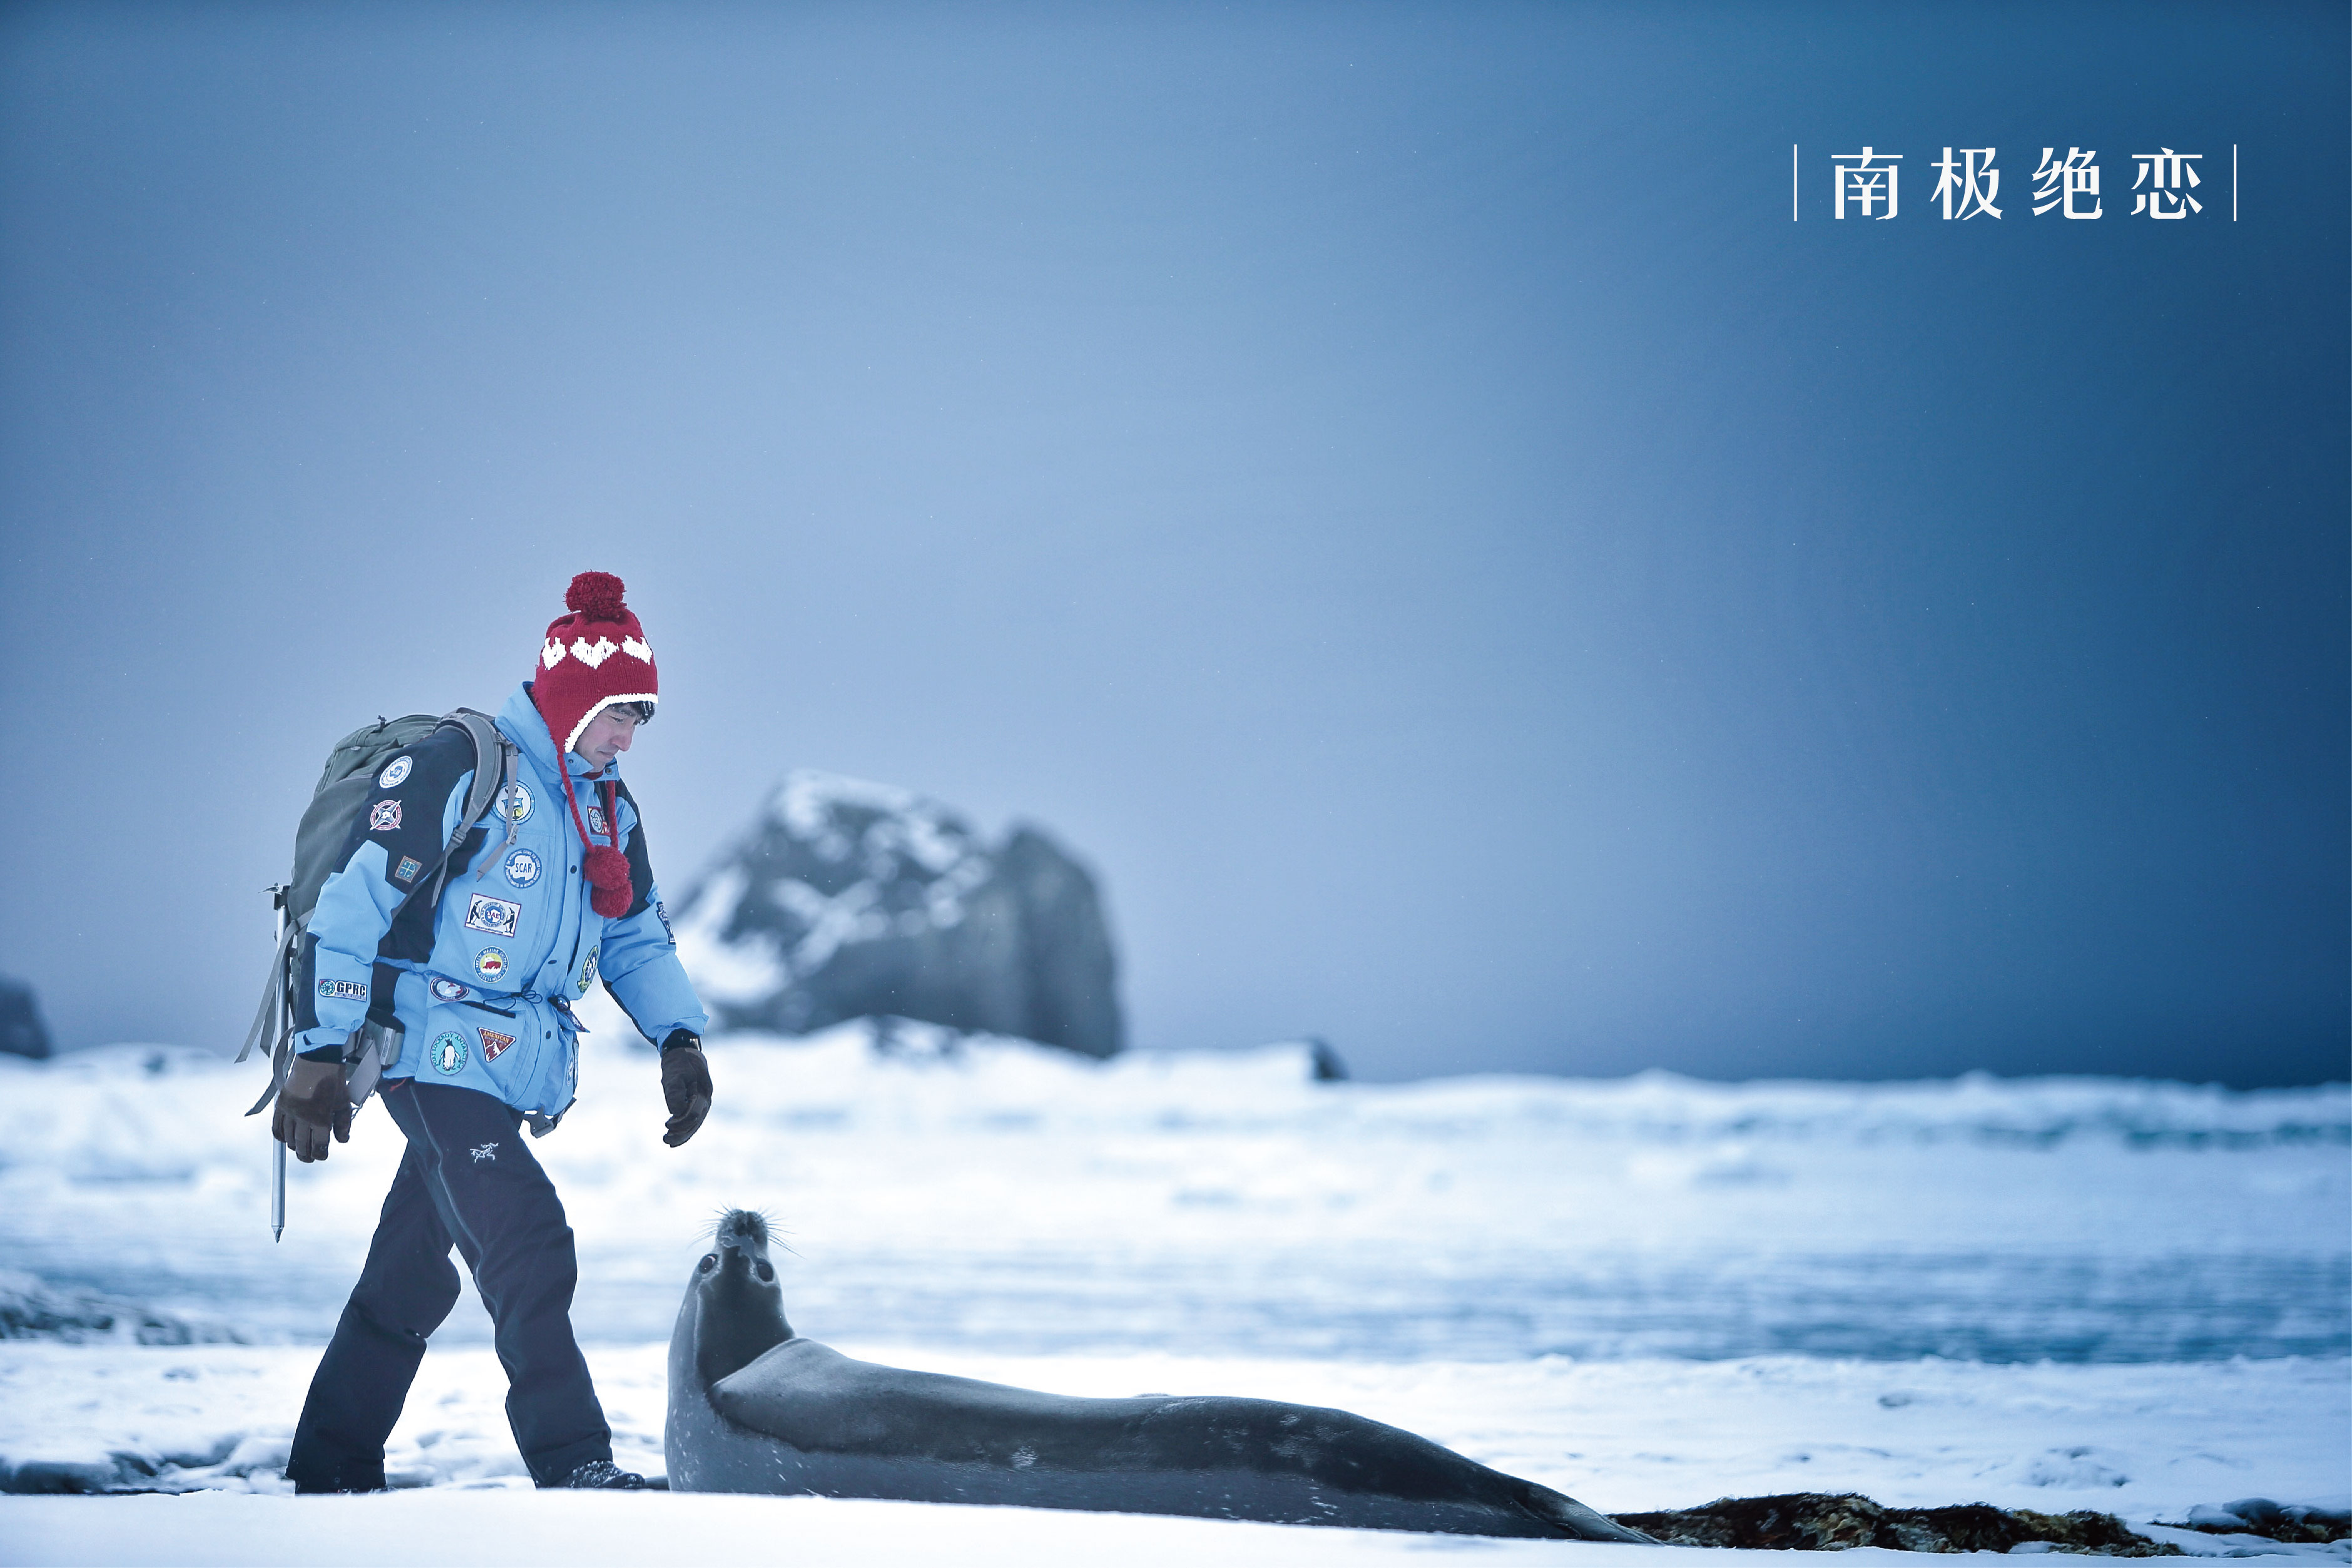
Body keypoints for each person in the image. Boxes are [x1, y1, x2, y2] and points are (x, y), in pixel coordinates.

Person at [276, 571, 715, 1493]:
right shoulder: (467, 765)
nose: (630, 734)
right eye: (618, 712)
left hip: (505, 1069)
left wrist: (680, 1039)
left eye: (642, 717)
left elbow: (633, 931)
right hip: (427, 1051)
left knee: (410, 1277)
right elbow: (356, 904)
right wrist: (318, 1050)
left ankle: (329, 1466)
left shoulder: (608, 810)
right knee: (528, 1238)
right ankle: (576, 1461)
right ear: (571, 695)